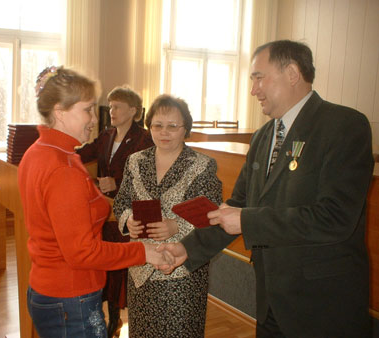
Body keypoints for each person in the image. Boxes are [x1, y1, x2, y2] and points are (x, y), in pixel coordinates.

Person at [158, 40, 374, 337]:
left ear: (292, 73)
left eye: (259, 77)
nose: (253, 89)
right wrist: (187, 247)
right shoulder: (262, 137)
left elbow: (335, 217)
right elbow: (238, 205)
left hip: (322, 305)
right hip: (270, 300)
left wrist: (246, 220)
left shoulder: (344, 126)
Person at [17, 66, 168, 338]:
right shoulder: (62, 167)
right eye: (87, 110)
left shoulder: (37, 152)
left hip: (48, 289)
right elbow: (82, 253)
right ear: (60, 111)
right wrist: (142, 251)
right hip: (70, 298)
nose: (93, 119)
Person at [113, 94, 222, 337]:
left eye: (173, 126)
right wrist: (128, 220)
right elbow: (120, 203)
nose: (164, 132)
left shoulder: (202, 165)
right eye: (157, 125)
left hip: (181, 271)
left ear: (186, 128)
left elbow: (212, 217)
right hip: (141, 266)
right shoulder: (135, 161)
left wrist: (176, 226)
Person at [76, 85, 153, 337]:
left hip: (128, 212)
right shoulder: (106, 135)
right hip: (103, 213)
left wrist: (118, 184)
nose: (112, 111)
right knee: (104, 263)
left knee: (120, 266)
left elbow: (148, 177)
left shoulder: (144, 139)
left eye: (117, 106)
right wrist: (60, 150)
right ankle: (105, 313)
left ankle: (116, 318)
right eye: (110, 106)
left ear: (133, 110)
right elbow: (84, 153)